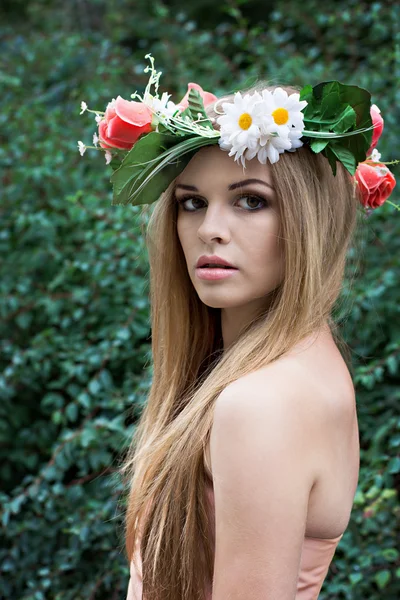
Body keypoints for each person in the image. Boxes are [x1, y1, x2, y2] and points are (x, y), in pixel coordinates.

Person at [79, 58, 397, 599]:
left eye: (251, 200)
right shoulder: (297, 368)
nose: (210, 229)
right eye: (192, 202)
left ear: (309, 219)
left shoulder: (261, 401)